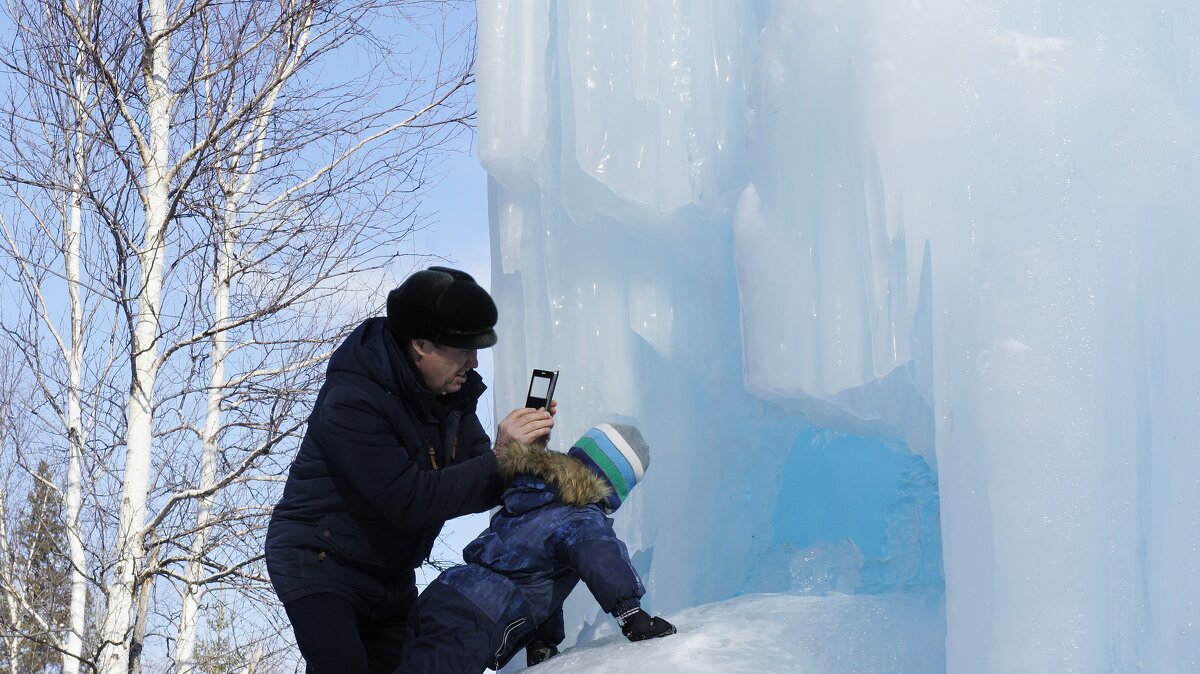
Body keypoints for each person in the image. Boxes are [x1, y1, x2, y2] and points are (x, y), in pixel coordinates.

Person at [264, 266, 555, 674]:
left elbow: (480, 479)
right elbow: (410, 500)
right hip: (319, 560)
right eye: (464, 350)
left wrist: (518, 457)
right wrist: (498, 458)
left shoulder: (449, 393)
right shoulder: (352, 399)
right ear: (421, 344)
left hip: (389, 573)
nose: (473, 362)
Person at [396, 423, 677, 673]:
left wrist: (542, 640)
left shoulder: (536, 495)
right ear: (615, 486)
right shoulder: (581, 517)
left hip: (442, 593)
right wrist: (630, 613)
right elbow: (601, 558)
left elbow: (539, 581)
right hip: (477, 616)